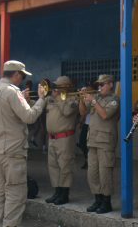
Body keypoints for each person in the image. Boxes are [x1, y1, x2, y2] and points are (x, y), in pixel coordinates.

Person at [0, 60, 45, 227]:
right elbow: (29, 117)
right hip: (12, 151)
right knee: (16, 194)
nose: (22, 79)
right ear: (17, 74)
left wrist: (23, 100)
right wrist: (41, 100)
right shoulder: (12, 92)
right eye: (22, 76)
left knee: (0, 194)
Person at [80, 74, 120, 214]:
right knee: (92, 173)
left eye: (102, 84)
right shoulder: (95, 98)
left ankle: (106, 202)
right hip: (93, 140)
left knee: (105, 173)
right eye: (99, 85)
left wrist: (93, 101)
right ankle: (97, 200)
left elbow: (104, 115)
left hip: (105, 141)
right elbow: (83, 113)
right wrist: (82, 98)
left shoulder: (114, 99)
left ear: (110, 84)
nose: (99, 87)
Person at [42, 76, 79, 205]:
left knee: (65, 166)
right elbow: (39, 107)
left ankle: (64, 194)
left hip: (65, 138)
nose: (55, 88)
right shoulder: (51, 99)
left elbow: (67, 112)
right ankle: (57, 192)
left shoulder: (73, 99)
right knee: (53, 166)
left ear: (66, 87)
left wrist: (59, 98)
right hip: (52, 138)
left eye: (58, 86)